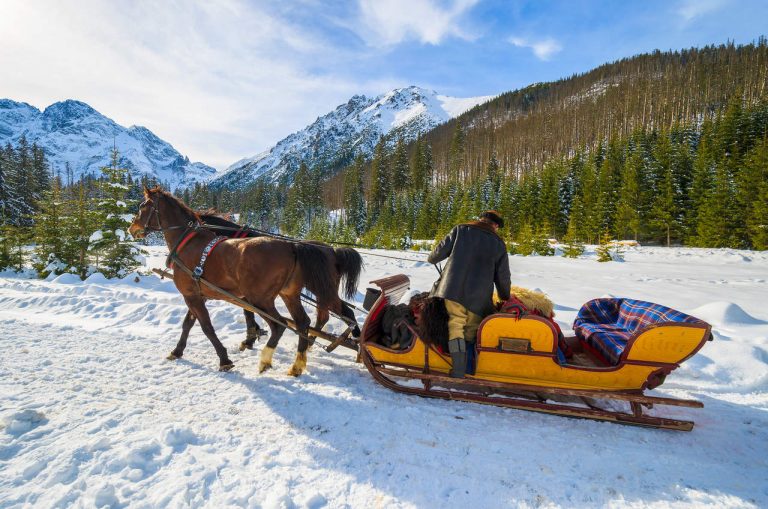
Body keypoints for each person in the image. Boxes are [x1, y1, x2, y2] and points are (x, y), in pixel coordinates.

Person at [427, 210, 511, 378]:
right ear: (495, 225)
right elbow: (503, 277)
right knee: (472, 332)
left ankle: (457, 372)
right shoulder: (498, 244)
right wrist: (505, 297)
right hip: (479, 300)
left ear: (481, 219)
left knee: (455, 325)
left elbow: (433, 257)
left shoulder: (460, 230)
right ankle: (469, 370)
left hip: (451, 290)